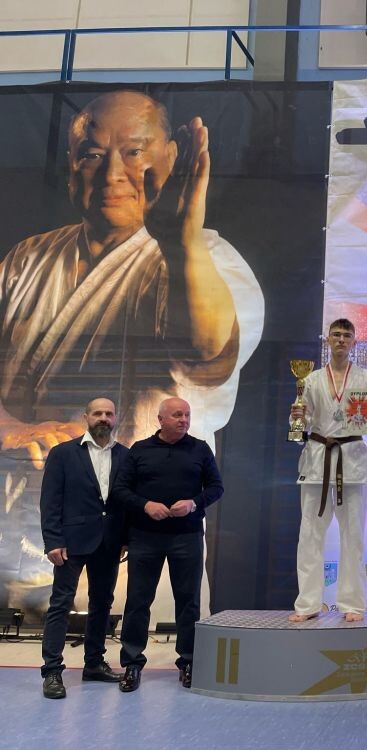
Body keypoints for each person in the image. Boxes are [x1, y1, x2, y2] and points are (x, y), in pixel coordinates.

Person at [0, 89, 262, 615]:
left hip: (137, 522)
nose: (112, 173)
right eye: (92, 154)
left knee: (135, 632)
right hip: (21, 527)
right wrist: (13, 431)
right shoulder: (26, 260)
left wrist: (182, 245)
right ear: (71, 168)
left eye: (134, 152)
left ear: (172, 158)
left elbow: (206, 354)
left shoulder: (209, 260)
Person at [112, 397, 224, 692]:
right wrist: (145, 504)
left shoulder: (200, 449)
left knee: (188, 602)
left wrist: (194, 503)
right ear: (160, 419)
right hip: (144, 536)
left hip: (186, 536)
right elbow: (120, 490)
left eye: (187, 414)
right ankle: (132, 664)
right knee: (138, 601)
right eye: (177, 415)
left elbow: (216, 488)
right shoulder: (140, 450)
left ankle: (188, 662)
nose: (183, 420)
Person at [289, 319, 367, 624]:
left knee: (353, 534)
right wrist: (297, 417)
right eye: (336, 335)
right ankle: (308, 603)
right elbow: (302, 423)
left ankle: (352, 603)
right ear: (328, 340)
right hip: (318, 457)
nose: (341, 339)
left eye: (347, 335)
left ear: (354, 341)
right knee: (309, 533)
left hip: (352, 458)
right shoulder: (311, 379)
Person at [39, 398, 127, 699]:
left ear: (115, 418)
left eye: (109, 414)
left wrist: (125, 539)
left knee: (102, 603)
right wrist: (53, 541)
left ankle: (94, 664)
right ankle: (52, 671)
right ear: (85, 417)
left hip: (109, 542)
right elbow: (50, 500)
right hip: (70, 542)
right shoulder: (63, 453)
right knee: (60, 604)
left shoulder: (125, 455)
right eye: (97, 413)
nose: (104, 418)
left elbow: (126, 502)